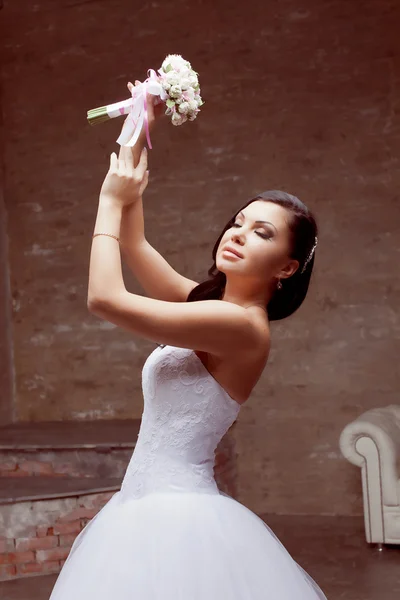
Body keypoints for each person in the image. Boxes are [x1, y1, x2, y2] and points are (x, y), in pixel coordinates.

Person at [48, 84, 325, 600]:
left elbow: (104, 298)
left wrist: (109, 199)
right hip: (137, 506)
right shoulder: (207, 306)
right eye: (238, 222)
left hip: (177, 517)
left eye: (262, 233)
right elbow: (133, 244)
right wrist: (138, 126)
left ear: (287, 267)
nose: (238, 234)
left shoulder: (243, 327)